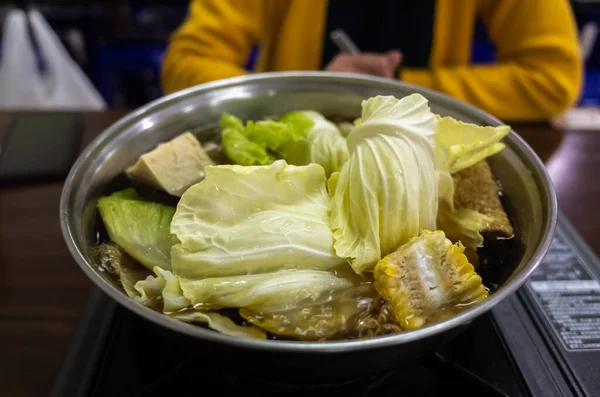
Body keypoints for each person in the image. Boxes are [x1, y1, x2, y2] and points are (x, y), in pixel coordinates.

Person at [161, 0, 582, 121]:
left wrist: (399, 86)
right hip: (282, 150)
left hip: (424, 151)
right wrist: (303, 96)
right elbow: (188, 62)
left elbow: (551, 78)